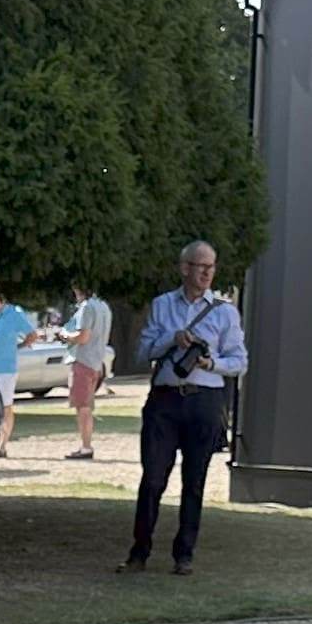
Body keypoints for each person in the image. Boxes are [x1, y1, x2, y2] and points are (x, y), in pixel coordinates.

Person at [123, 240, 245, 572]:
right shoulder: (162, 305)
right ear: (185, 268)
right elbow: (142, 352)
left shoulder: (224, 310)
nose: (207, 272)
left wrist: (210, 363)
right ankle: (139, 550)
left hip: (204, 400)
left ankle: (184, 554)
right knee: (153, 478)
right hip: (165, 401)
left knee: (194, 481)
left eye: (211, 266)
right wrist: (171, 340)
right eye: (201, 266)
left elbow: (239, 361)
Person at [64, 286, 112, 461]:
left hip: (84, 360)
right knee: (87, 406)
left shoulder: (86, 307)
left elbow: (83, 337)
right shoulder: (104, 306)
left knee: (82, 406)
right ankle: (86, 444)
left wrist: (65, 336)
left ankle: (85, 446)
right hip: (97, 361)